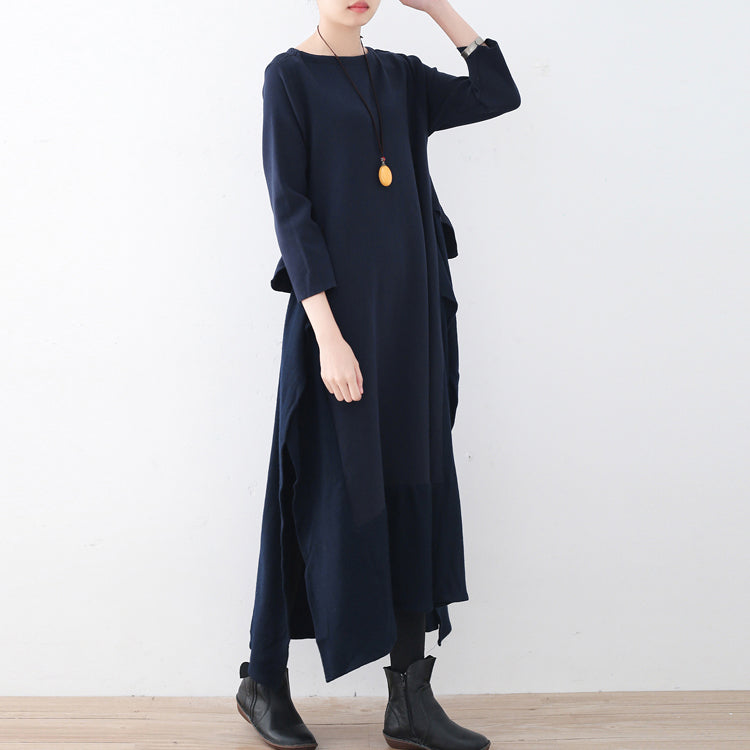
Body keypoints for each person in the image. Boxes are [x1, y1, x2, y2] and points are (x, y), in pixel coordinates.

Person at [236, 1, 521, 748]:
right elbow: (291, 213)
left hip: (412, 321)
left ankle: (409, 700)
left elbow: (497, 93)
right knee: (312, 485)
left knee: (411, 485)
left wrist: (437, 8)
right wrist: (328, 338)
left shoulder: (400, 76)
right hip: (336, 325)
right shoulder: (288, 78)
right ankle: (264, 678)